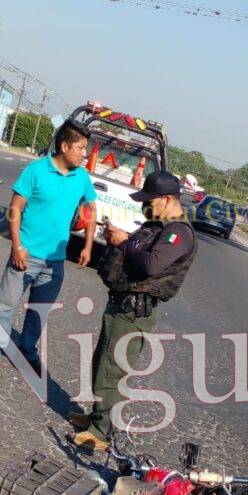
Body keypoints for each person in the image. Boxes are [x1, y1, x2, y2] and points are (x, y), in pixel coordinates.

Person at [70, 170, 197, 450]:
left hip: (134, 312)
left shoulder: (178, 233)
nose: (144, 205)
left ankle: (101, 433)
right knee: (102, 364)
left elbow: (151, 265)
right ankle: (96, 418)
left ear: (166, 199)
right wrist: (120, 238)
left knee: (113, 370)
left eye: (149, 200)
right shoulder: (159, 225)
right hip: (122, 304)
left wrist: (122, 242)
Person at [0, 121, 97, 371]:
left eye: (85, 149)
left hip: (55, 260)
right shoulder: (36, 170)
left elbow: (91, 210)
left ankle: (27, 348)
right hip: (27, 254)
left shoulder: (82, 177)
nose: (84, 154)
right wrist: (16, 246)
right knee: (6, 304)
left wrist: (87, 246)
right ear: (64, 146)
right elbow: (15, 209)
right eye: (80, 148)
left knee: (40, 310)